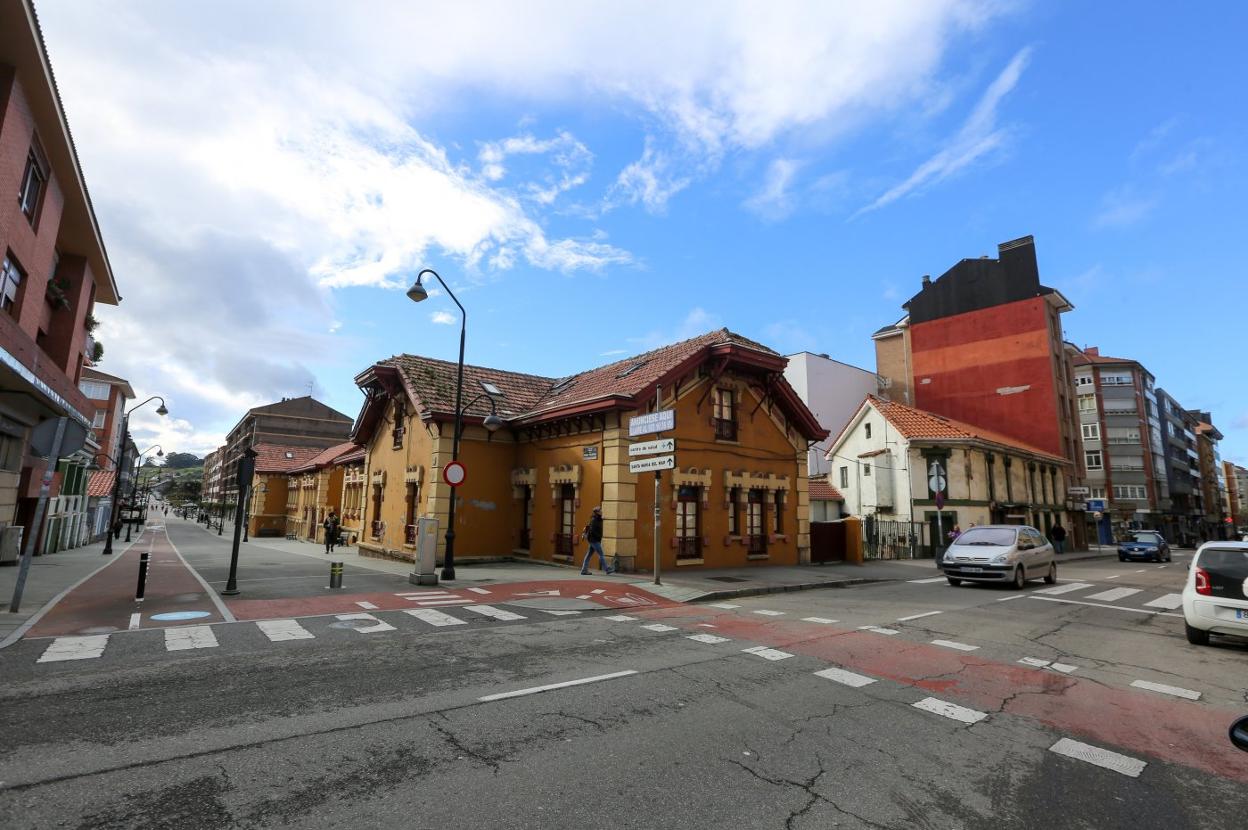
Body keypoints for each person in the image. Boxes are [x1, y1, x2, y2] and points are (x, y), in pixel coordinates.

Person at [579, 506, 612, 575]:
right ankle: (607, 569)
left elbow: (600, 520)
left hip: (593, 540)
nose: (602, 511)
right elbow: (592, 531)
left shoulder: (597, 519)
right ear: (597, 512)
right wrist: (599, 537)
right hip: (594, 540)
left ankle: (584, 570)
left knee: (588, 555)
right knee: (601, 554)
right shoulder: (594, 520)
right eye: (600, 510)